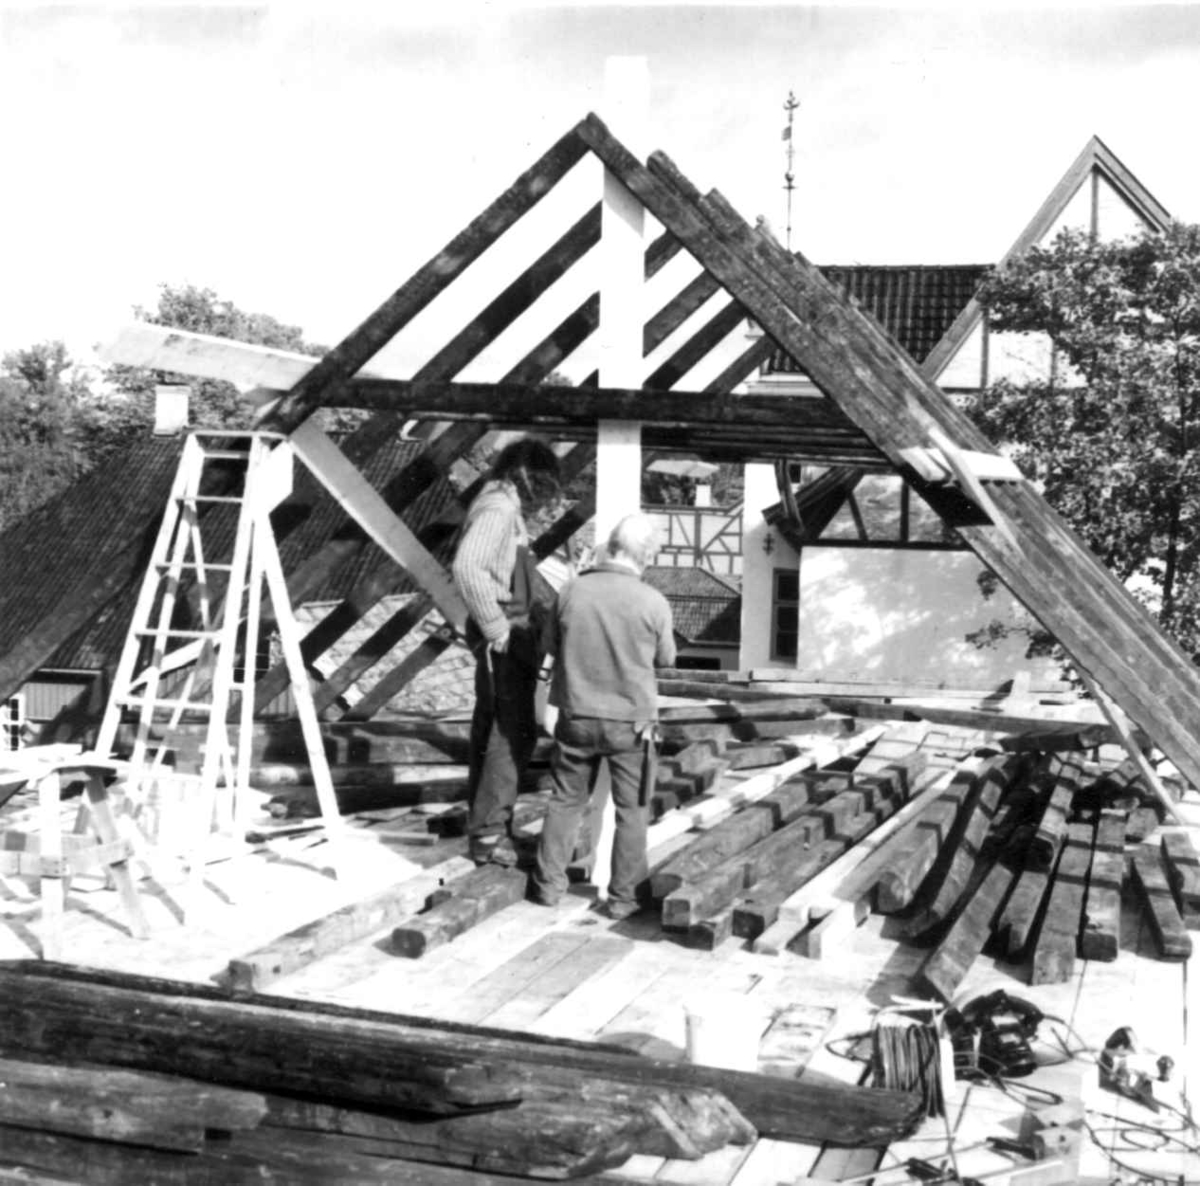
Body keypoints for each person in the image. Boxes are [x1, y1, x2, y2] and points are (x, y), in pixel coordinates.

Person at [530, 512, 676, 918]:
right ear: (646, 556)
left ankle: (548, 887)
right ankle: (623, 899)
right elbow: (665, 659)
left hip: (576, 715)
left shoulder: (571, 592)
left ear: (611, 545)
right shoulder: (653, 602)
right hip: (631, 723)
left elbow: (551, 645)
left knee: (565, 800)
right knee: (632, 811)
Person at [452, 437, 561, 867]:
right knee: (510, 731)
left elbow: (511, 571)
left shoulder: (499, 504)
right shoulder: (498, 509)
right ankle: (490, 835)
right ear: (528, 475)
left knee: (495, 729)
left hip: (508, 625)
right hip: (503, 630)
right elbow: (467, 566)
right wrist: (496, 626)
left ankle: (487, 828)